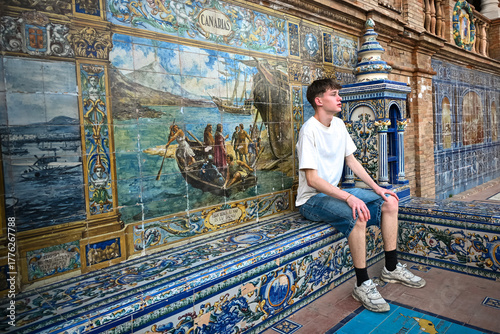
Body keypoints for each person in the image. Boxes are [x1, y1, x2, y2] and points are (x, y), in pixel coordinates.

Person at [295, 78, 425, 313]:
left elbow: (352, 161)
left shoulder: (338, 125)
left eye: (338, 94)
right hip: (311, 200)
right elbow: (313, 180)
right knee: (357, 214)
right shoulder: (309, 131)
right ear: (318, 101)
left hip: (335, 192)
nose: (339, 98)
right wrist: (347, 198)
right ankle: (362, 283)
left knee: (390, 202)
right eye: (334, 94)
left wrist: (377, 188)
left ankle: (391, 267)